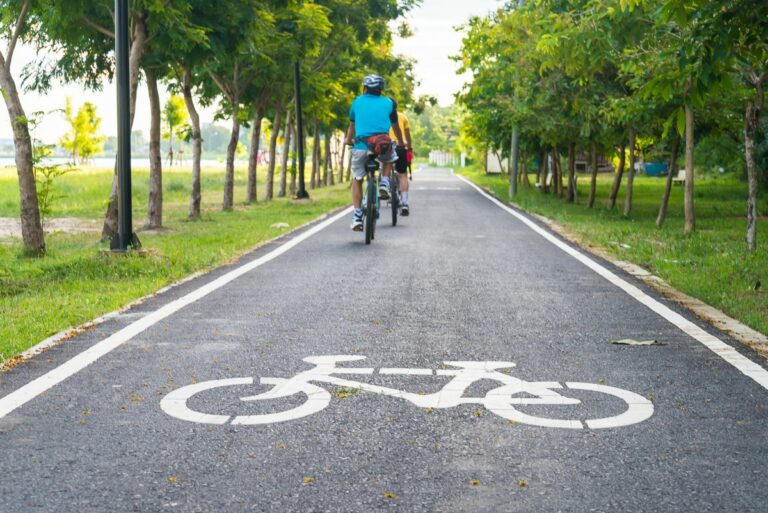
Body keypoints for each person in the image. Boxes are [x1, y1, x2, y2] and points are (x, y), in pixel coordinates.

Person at [344, 74, 405, 231]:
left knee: (357, 178)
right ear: (380, 89)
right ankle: (384, 181)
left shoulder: (357, 102)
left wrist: (348, 140)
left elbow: (352, 126)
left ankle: (357, 216)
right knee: (390, 156)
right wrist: (400, 141)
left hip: (361, 146)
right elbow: (396, 127)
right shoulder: (389, 103)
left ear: (365, 88)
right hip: (382, 145)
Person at [390, 111, 413, 216]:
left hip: (385, 145)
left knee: (384, 167)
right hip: (400, 146)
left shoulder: (381, 114)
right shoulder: (403, 117)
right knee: (403, 175)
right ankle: (404, 203)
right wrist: (409, 148)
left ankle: (384, 185)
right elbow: (407, 135)